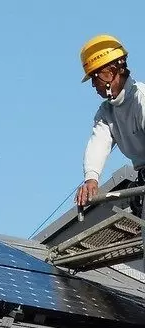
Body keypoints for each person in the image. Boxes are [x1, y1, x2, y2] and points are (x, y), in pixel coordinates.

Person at [75, 35, 145, 208]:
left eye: (95, 76)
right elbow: (98, 143)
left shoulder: (141, 99)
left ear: (112, 71)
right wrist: (91, 178)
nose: (93, 84)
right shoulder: (107, 112)